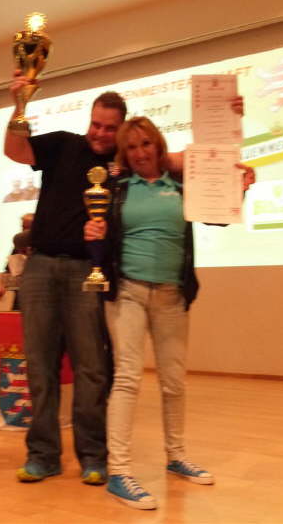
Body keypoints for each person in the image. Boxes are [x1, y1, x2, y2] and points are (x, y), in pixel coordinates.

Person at [4, 70, 253, 486]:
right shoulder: (63, 143)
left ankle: (93, 456)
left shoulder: (124, 166)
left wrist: (225, 124)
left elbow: (184, 159)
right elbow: (15, 150)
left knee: (92, 368)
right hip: (41, 266)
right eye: (96, 124)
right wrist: (19, 104)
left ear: (121, 131)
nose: (100, 133)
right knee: (39, 366)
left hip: (90, 272)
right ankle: (43, 455)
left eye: (110, 128)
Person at [84, 116, 254, 510]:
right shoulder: (116, 190)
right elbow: (98, 232)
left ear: (159, 146)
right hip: (127, 293)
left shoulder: (180, 187)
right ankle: (119, 472)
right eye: (131, 147)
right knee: (127, 379)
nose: (140, 153)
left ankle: (176, 456)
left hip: (172, 296)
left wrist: (239, 189)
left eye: (146, 144)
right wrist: (93, 235)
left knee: (174, 382)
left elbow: (218, 215)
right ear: (124, 154)